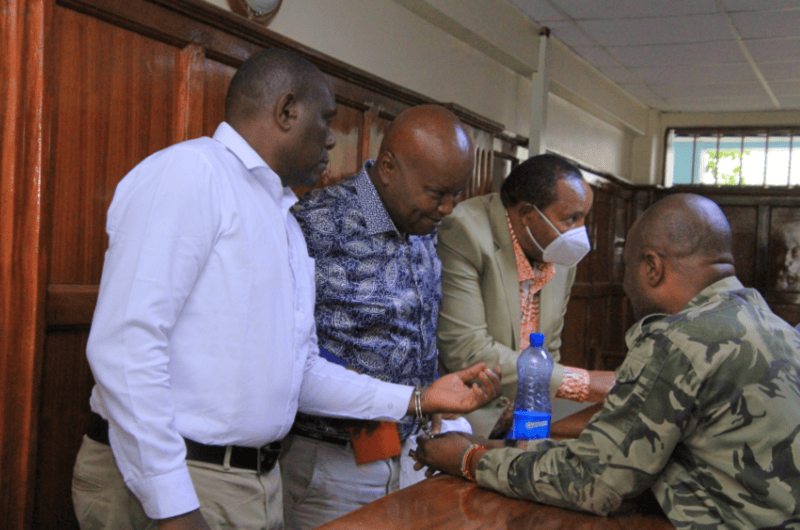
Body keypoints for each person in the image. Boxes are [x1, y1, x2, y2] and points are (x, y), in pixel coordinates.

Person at [71, 49, 501, 530]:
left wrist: (419, 399)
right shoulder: (193, 174)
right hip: (180, 481)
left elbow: (301, 372)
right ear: (286, 110)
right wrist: (172, 502)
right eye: (325, 119)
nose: (333, 139)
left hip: (249, 480)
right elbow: (126, 346)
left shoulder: (281, 218)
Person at [415, 193, 800, 529]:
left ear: (652, 267)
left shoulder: (681, 339)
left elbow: (593, 480)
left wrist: (470, 459)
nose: (625, 285)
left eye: (627, 268)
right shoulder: (774, 325)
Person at [280, 104, 479, 530]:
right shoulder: (316, 224)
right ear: (388, 167)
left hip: (405, 453)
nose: (447, 208)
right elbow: (287, 356)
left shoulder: (423, 222)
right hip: (329, 465)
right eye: (436, 193)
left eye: (455, 195)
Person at [436, 154, 615, 437]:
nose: (580, 232)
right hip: (464, 418)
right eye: (571, 219)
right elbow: (467, 351)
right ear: (528, 215)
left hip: (523, 416)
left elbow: (548, 351)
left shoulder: (561, 252)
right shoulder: (465, 232)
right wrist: (584, 382)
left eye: (584, 218)